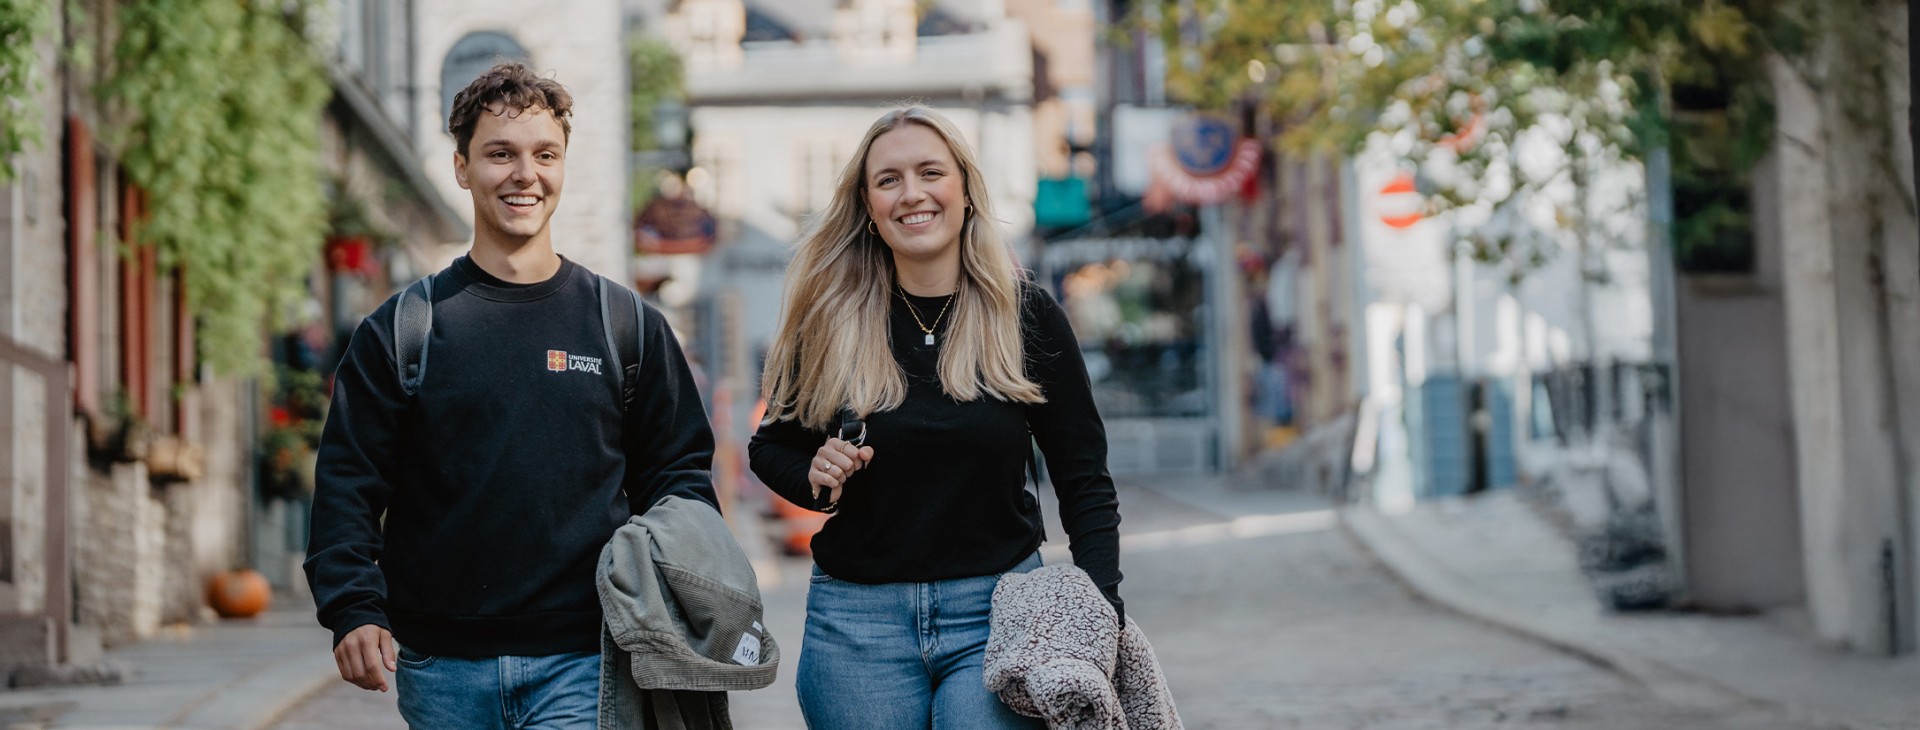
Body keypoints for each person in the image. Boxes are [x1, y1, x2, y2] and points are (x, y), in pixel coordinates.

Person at [304, 62, 718, 729]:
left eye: (544, 155)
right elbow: (349, 485)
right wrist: (352, 606)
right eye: (501, 154)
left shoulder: (624, 327)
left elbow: (680, 478)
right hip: (441, 668)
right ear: (463, 167)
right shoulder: (404, 330)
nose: (525, 174)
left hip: (586, 662)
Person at [748, 106, 1124, 729]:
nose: (912, 193)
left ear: (966, 191)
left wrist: (1100, 612)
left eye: (930, 172)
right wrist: (816, 475)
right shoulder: (828, 318)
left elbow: (1084, 477)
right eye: (888, 179)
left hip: (999, 614)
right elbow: (772, 447)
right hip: (855, 625)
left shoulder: (1024, 316)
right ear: (868, 204)